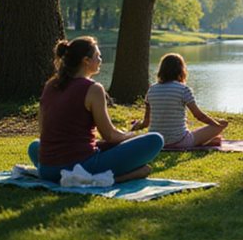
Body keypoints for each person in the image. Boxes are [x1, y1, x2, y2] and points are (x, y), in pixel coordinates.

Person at [27, 37, 164, 183]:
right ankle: (112, 178)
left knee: (35, 146)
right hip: (80, 166)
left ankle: (78, 175)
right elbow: (110, 135)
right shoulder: (93, 89)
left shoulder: (50, 85)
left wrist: (99, 144)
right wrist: (131, 135)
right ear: (86, 60)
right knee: (155, 139)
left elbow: (44, 131)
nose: (100, 59)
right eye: (97, 56)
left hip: (47, 170)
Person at [130, 53, 228, 149]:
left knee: (206, 132)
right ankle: (206, 141)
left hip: (156, 142)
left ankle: (209, 141)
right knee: (223, 123)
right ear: (181, 70)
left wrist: (137, 126)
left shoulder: (151, 90)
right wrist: (218, 126)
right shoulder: (183, 89)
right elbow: (199, 116)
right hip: (180, 142)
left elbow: (146, 123)